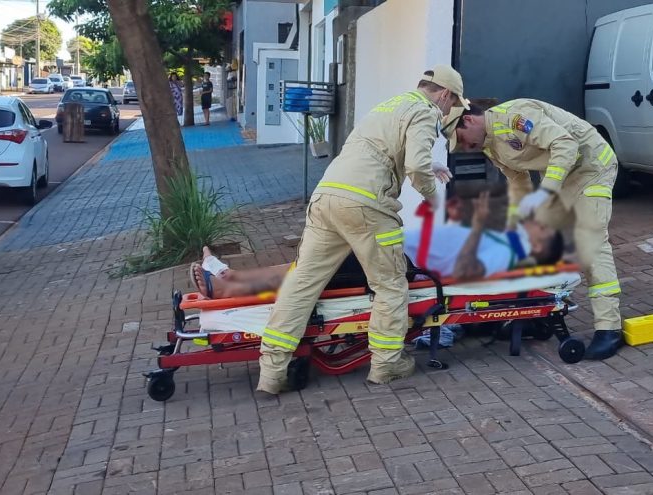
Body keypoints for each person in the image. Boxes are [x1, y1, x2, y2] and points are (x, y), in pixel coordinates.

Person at [252, 66, 469, 394]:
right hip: (367, 207)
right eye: (450, 104)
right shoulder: (425, 112)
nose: (447, 111)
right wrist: (432, 198)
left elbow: (382, 151)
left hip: (327, 198)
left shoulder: (390, 104)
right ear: (444, 94)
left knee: (303, 283)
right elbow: (414, 166)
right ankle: (386, 364)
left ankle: (270, 372)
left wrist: (429, 166)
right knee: (390, 285)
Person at [444, 99, 623, 361]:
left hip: (591, 167)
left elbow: (565, 144)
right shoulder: (490, 144)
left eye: (460, 138)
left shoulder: (515, 117)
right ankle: (538, 314)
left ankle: (609, 328)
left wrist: (547, 191)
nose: (462, 147)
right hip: (564, 176)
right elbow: (518, 180)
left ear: (468, 120)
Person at [190, 191, 565, 299]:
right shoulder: (505, 234)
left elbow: (459, 270)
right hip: (390, 242)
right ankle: (230, 276)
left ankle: (227, 284)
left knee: (313, 272)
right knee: (311, 262)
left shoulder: (503, 255)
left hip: (399, 263)